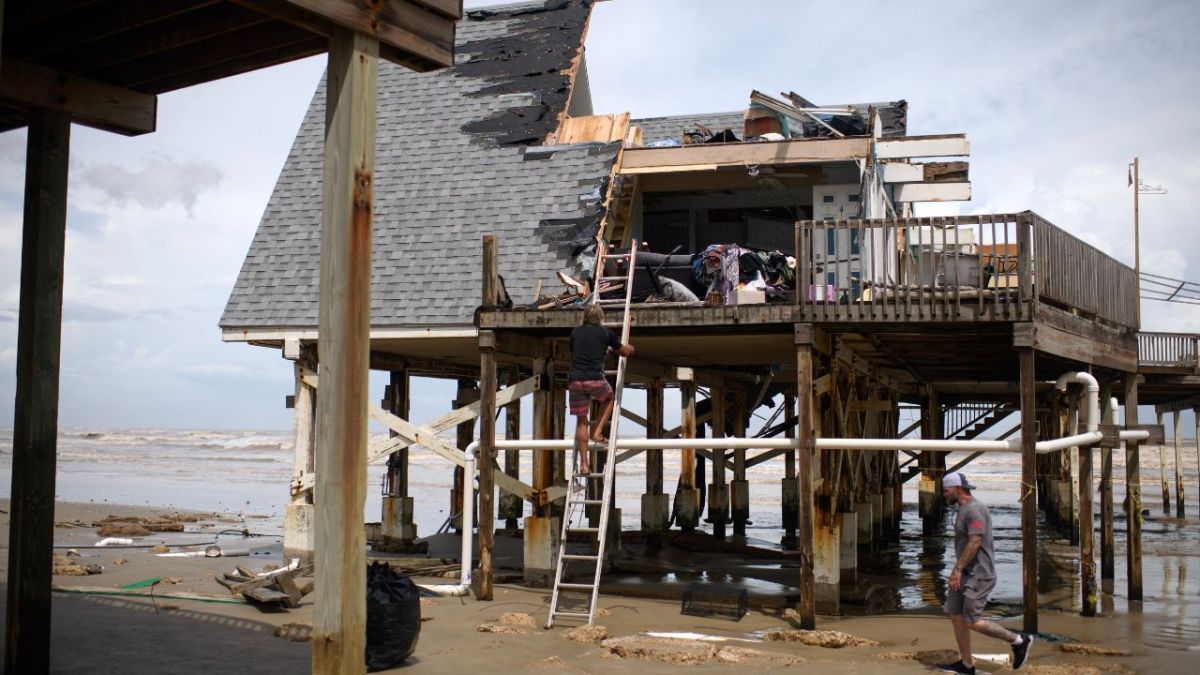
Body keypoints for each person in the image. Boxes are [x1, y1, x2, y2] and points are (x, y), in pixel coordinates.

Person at [939, 472, 1034, 674]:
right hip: (964, 572)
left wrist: (956, 570)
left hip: (979, 573)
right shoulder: (963, 509)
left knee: (972, 620)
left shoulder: (975, 510)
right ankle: (966, 665)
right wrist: (958, 570)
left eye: (946, 490)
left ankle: (1019, 641)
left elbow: (976, 541)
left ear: (957, 488)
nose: (944, 494)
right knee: (955, 614)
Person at [567, 304, 633, 476]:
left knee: (582, 422)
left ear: (585, 317)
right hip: (594, 379)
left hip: (575, 380)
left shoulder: (575, 332)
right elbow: (623, 352)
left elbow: (577, 350)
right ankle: (597, 432)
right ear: (600, 317)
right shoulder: (606, 333)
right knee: (610, 397)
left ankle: (584, 465)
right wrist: (630, 348)